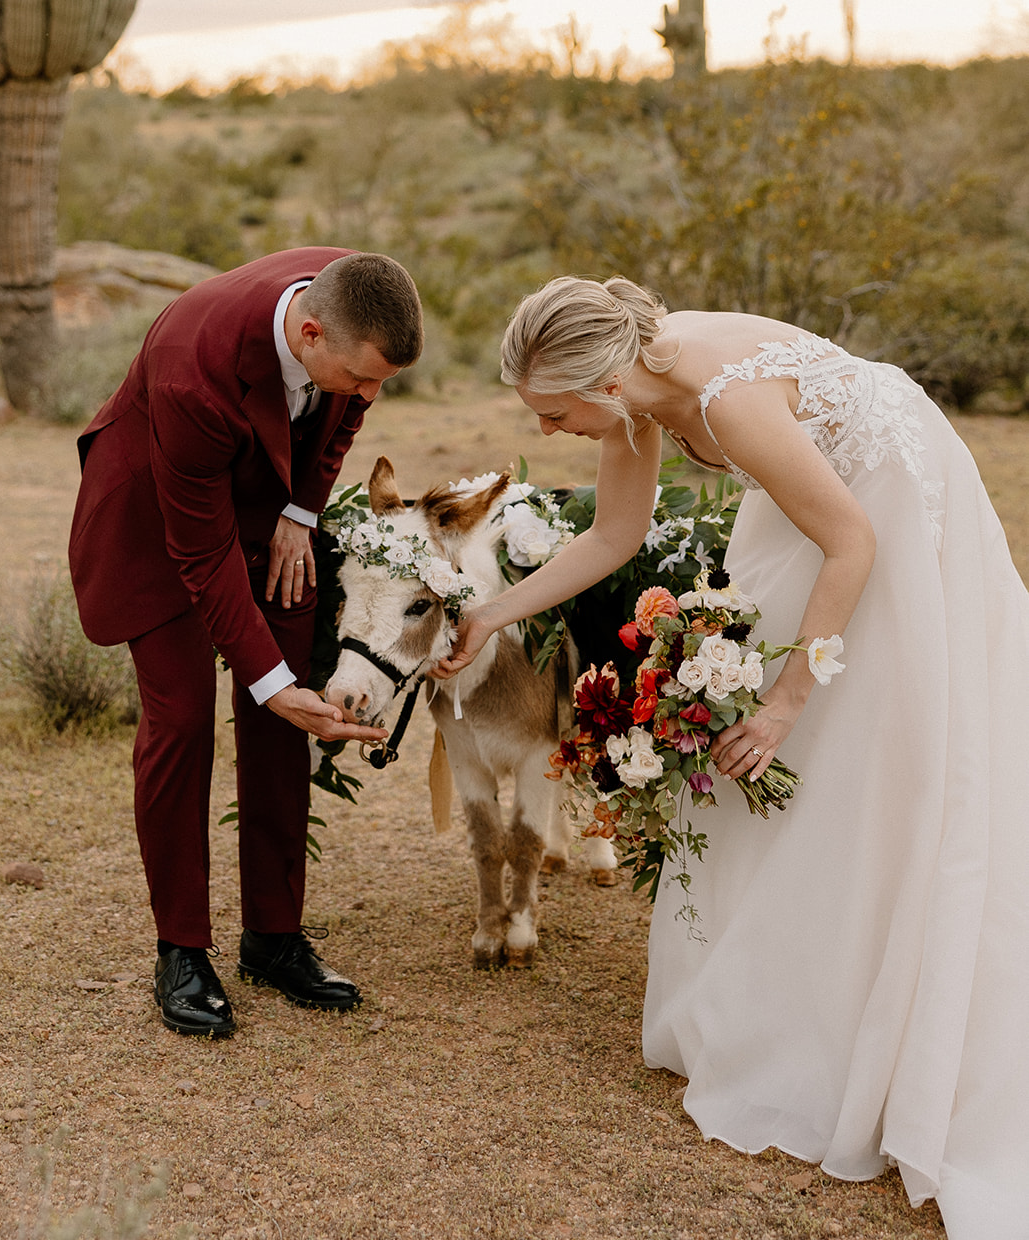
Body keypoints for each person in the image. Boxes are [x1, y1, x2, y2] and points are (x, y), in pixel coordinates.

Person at [433, 274, 1029, 1240]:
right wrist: (488, 613)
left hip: (880, 493)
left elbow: (850, 539)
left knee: (855, 730)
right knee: (742, 722)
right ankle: (785, 1001)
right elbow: (613, 535)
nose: (547, 434)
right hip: (809, 504)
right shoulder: (628, 397)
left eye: (552, 415)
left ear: (606, 388)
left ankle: (873, 998)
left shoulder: (724, 400)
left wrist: (793, 698)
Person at [69, 248, 422, 1039]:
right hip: (157, 522)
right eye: (362, 377)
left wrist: (300, 513)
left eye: (381, 383)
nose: (370, 397)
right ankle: (181, 950)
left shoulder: (354, 296)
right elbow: (200, 553)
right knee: (183, 718)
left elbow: (340, 423)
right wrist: (266, 676)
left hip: (268, 512)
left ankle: (273, 935)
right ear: (307, 333)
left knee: (280, 715)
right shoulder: (190, 367)